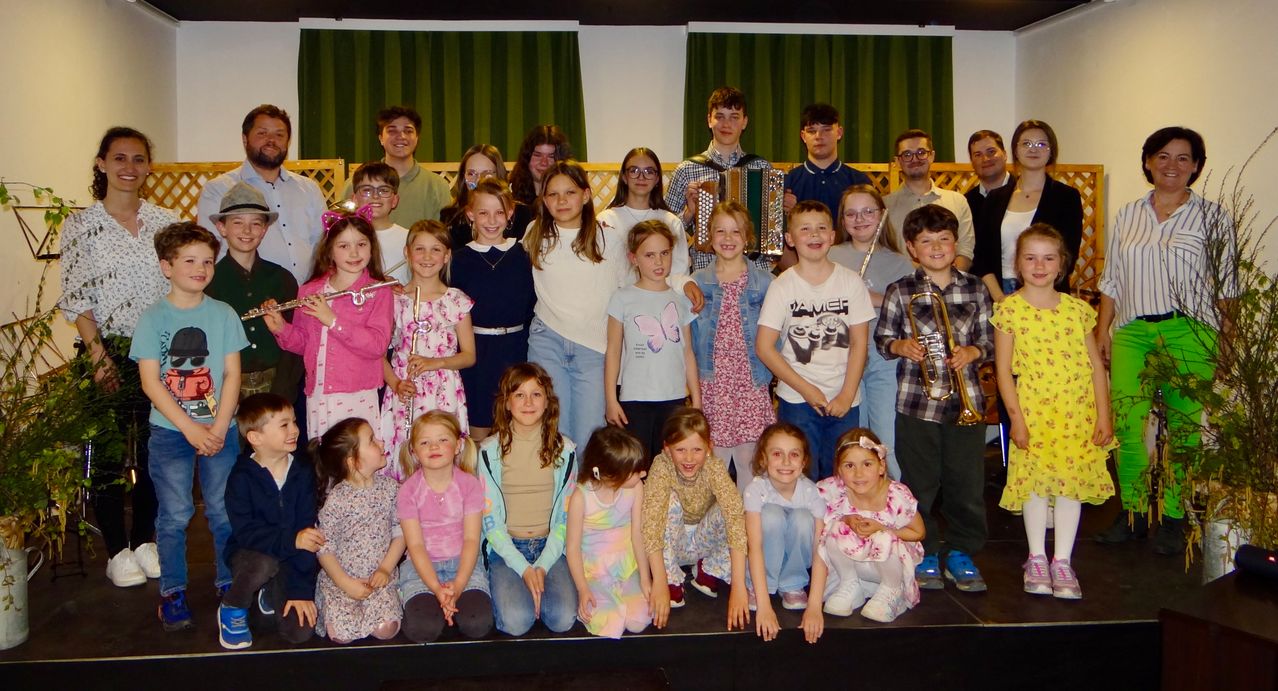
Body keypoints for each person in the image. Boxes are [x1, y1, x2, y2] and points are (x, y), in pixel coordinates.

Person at [1093, 126, 1230, 556]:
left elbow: (1227, 287)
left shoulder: (1213, 217)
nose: (1172, 165)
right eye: (1163, 156)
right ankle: (1133, 512)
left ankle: (1174, 516)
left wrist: (1228, 344)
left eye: (1183, 158)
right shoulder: (1128, 214)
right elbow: (1112, 279)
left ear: (1196, 166)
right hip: (1133, 332)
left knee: (1185, 430)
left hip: (1190, 331)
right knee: (1127, 425)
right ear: (1148, 162)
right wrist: (1103, 332)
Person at [59, 126, 176, 588]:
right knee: (108, 456)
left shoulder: (165, 221)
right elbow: (77, 295)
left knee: (155, 453)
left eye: (139, 159)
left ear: (149, 167)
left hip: (159, 354)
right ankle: (116, 550)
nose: (130, 167)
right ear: (102, 164)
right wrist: (97, 354)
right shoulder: (80, 225)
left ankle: (145, 539)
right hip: (106, 350)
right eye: (120, 158)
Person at [130, 222, 248, 631]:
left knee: (223, 510)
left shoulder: (224, 314)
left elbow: (232, 374)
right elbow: (151, 382)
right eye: (190, 261)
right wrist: (191, 429)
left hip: (220, 429)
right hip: (169, 432)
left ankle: (229, 581)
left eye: (208, 262)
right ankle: (173, 590)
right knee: (175, 514)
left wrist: (218, 426)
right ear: (167, 266)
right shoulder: (152, 318)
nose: (200, 269)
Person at [875, 204, 994, 593]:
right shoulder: (900, 290)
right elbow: (883, 339)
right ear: (912, 248)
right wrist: (901, 346)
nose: (937, 247)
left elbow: (990, 340)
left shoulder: (975, 288)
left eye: (944, 239)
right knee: (919, 483)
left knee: (966, 484)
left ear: (955, 242)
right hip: (916, 403)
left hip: (965, 401)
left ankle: (962, 550)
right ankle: (923, 547)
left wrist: (973, 352)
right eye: (927, 241)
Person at [992, 224, 1115, 599]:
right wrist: (1016, 419)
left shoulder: (1078, 311)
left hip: (1075, 415)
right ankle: (1036, 557)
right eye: (1030, 258)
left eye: (1048, 258)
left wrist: (1104, 415)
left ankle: (1062, 560)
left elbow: (1095, 367)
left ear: (1061, 264)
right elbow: (1003, 371)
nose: (1039, 266)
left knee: (1069, 488)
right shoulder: (1009, 310)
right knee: (1034, 486)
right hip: (1034, 413)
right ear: (1017, 263)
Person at [757, 201, 876, 480]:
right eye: (805, 229)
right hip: (797, 400)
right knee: (801, 476)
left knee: (842, 477)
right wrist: (806, 390)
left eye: (822, 228)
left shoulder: (851, 282)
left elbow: (859, 344)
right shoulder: (781, 286)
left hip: (844, 399)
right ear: (789, 239)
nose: (814, 235)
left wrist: (847, 394)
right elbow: (764, 347)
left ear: (832, 236)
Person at [263, 209, 393, 439]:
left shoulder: (378, 291)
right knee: (324, 456)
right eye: (343, 246)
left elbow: (377, 346)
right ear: (330, 250)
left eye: (361, 244)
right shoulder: (310, 290)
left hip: (358, 392)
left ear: (371, 247)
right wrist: (281, 328)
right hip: (319, 394)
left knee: (357, 455)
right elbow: (305, 344)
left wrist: (332, 320)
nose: (354, 252)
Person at [523, 160, 625, 448]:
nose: (562, 201)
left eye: (570, 192)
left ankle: (584, 481)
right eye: (553, 194)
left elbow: (631, 288)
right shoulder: (534, 234)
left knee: (590, 433)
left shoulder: (608, 238)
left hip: (594, 348)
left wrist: (682, 283)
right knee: (553, 430)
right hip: (547, 341)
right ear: (544, 200)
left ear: (586, 195)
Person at [477, 363, 579, 636]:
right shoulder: (489, 451)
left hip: (551, 546)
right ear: (507, 403)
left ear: (547, 402)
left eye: (536, 394)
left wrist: (541, 567)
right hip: (506, 547)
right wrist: (524, 569)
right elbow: (490, 521)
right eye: (519, 395)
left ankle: (538, 595)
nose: (528, 402)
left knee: (562, 619)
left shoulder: (566, 451)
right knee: (516, 621)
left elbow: (566, 518)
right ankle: (517, 596)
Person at [217, 393, 320, 649]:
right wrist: (293, 540)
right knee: (263, 564)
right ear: (255, 438)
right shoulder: (241, 477)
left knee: (300, 632)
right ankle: (233, 606)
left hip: (291, 557)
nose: (295, 430)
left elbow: (307, 532)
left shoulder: (303, 471)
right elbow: (247, 533)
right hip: (252, 553)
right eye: (284, 425)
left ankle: (269, 591)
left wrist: (300, 591)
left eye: (294, 422)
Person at [828, 185, 914, 481]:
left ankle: (894, 498)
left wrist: (870, 296)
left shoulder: (899, 262)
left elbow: (910, 308)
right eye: (851, 213)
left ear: (881, 215)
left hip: (883, 358)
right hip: (841, 357)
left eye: (868, 212)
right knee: (853, 437)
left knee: (885, 437)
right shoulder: (831, 255)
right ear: (842, 220)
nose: (859, 219)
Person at [691, 201, 776, 494]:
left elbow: (777, 335)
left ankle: (746, 519)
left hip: (749, 381)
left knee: (747, 460)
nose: (728, 238)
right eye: (720, 231)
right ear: (710, 235)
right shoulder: (697, 282)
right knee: (713, 460)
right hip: (712, 383)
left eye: (736, 231)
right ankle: (715, 520)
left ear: (747, 237)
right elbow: (689, 336)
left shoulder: (765, 283)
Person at [379, 221, 475, 477]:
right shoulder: (394, 299)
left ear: (447, 256)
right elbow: (378, 353)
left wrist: (436, 363)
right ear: (407, 253)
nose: (427, 256)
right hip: (405, 389)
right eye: (419, 249)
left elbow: (469, 356)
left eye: (436, 249)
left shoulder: (456, 300)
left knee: (441, 451)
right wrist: (395, 384)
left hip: (443, 391)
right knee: (405, 453)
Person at [641, 407, 748, 631]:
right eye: (680, 450)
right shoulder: (661, 466)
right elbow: (651, 523)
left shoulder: (713, 466)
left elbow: (735, 517)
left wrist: (739, 587)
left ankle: (708, 568)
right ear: (667, 449)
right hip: (673, 542)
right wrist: (659, 581)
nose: (689, 458)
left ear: (709, 448)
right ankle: (671, 578)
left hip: (702, 540)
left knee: (734, 510)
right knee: (666, 503)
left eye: (697, 450)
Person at [197, 104, 327, 286]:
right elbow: (211, 250)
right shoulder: (218, 189)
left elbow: (322, 244)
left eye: (279, 135)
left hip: (307, 295)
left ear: (288, 142)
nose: (271, 140)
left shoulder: (309, 189)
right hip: (246, 294)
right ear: (245, 139)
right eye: (262, 133)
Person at [605, 220, 699, 461]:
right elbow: (613, 351)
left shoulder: (680, 300)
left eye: (664, 253)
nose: (659, 262)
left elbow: (688, 352)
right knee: (638, 462)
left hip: (673, 398)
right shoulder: (622, 298)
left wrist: (697, 400)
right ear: (633, 258)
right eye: (649, 255)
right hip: (635, 399)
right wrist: (611, 399)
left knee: (669, 464)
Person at [451, 178, 537, 441]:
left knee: (515, 425)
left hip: (517, 348)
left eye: (499, 212)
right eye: (483, 213)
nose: (491, 220)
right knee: (479, 427)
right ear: (470, 214)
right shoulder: (459, 259)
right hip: (476, 353)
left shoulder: (524, 254)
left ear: (510, 214)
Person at [808, 429, 925, 623]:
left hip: (889, 565)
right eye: (849, 466)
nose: (858, 473)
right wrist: (845, 519)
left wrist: (883, 528)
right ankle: (849, 583)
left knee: (883, 537)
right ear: (839, 470)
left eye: (867, 464)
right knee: (834, 528)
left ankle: (891, 589)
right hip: (854, 563)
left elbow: (919, 532)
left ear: (881, 466)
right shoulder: (834, 490)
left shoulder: (896, 494)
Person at [397, 411, 494, 643]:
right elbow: (415, 545)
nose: (434, 447)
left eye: (442, 440)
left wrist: (458, 586)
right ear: (414, 451)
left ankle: (451, 604)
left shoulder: (470, 485)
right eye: (424, 442)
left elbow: (471, 540)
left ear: (458, 445)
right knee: (424, 629)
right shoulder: (408, 491)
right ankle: (429, 603)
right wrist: (437, 589)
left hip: (464, 564)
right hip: (422, 568)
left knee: (477, 623)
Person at [312, 416, 405, 643]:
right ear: (353, 461)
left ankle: (382, 607)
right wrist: (345, 583)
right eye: (372, 440)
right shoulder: (337, 498)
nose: (381, 443)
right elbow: (324, 546)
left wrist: (385, 569)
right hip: (342, 581)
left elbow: (400, 532)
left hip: (379, 580)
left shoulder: (391, 489)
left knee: (386, 629)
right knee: (340, 634)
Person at [664, 86, 776, 272]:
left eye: (734, 117)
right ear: (709, 120)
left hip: (755, 271)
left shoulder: (762, 168)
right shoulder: (686, 169)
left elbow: (772, 232)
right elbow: (665, 231)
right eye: (720, 116)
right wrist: (689, 214)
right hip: (706, 270)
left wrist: (783, 213)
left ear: (744, 122)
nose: (726, 124)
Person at [205, 182, 299, 400]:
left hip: (277, 386)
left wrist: (282, 393)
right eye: (237, 222)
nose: (247, 231)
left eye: (256, 223)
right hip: (227, 391)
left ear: (264, 229)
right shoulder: (209, 282)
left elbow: (296, 339)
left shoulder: (282, 279)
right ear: (222, 228)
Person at [972, 120, 1084, 299]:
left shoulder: (1066, 197)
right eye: (1026, 143)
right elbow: (981, 256)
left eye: (1041, 144)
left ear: (1051, 152)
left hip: (1047, 295)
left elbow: (1067, 256)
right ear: (1015, 151)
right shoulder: (994, 198)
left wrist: (1029, 298)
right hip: (998, 294)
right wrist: (1000, 299)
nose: (1033, 149)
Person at [565, 426, 653, 639]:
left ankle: (624, 596)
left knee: (638, 621)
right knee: (610, 623)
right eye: (635, 471)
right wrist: (582, 588)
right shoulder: (581, 497)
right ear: (611, 474)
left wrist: (645, 578)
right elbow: (572, 548)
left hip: (626, 565)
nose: (643, 473)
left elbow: (637, 534)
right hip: (593, 570)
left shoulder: (636, 487)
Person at [744, 423, 826, 641]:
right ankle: (762, 585)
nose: (786, 462)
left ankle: (793, 583)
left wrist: (815, 607)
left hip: (794, 557)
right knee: (771, 515)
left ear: (804, 461)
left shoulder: (812, 493)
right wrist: (764, 606)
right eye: (777, 454)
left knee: (803, 518)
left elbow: (820, 551)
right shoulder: (755, 490)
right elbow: (754, 547)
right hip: (762, 563)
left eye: (794, 454)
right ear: (764, 459)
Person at [779, 103, 874, 271]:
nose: (818, 136)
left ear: (839, 132)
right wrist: (805, 275)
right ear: (803, 136)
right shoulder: (786, 184)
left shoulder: (859, 181)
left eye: (826, 129)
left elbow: (872, 235)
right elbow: (776, 242)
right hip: (801, 273)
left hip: (853, 271)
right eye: (812, 131)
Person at [339, 106, 452, 228]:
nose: (401, 136)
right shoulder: (355, 184)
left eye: (408, 131)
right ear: (381, 138)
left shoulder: (437, 186)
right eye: (392, 131)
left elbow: (444, 234)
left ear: (417, 138)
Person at [883, 128, 975, 271]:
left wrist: (948, 278)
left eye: (921, 152)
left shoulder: (957, 201)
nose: (915, 159)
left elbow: (965, 249)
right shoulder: (884, 206)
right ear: (898, 161)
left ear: (932, 156)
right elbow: (883, 253)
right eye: (907, 154)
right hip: (901, 282)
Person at [598, 147, 691, 280]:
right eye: (634, 171)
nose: (641, 177)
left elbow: (679, 273)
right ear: (624, 177)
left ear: (657, 178)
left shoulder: (670, 222)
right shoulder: (605, 220)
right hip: (616, 292)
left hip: (661, 293)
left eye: (649, 171)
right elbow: (599, 269)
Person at [440, 144, 537, 249]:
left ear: (499, 175)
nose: (479, 180)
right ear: (463, 177)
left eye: (487, 174)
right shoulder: (450, 217)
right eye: (471, 174)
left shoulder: (521, 214)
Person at [348, 162, 410, 285]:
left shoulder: (409, 238)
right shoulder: (343, 238)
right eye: (367, 190)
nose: (375, 196)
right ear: (354, 199)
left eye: (384, 190)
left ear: (395, 200)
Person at [509, 124, 573, 206]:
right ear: (526, 158)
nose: (544, 162)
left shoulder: (570, 199)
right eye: (537, 155)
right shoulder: (510, 195)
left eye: (551, 156)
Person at [965, 129, 1013, 234]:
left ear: (1005, 155)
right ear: (972, 162)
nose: (985, 159)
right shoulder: (966, 203)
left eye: (991, 152)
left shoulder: (1023, 193)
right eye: (978, 155)